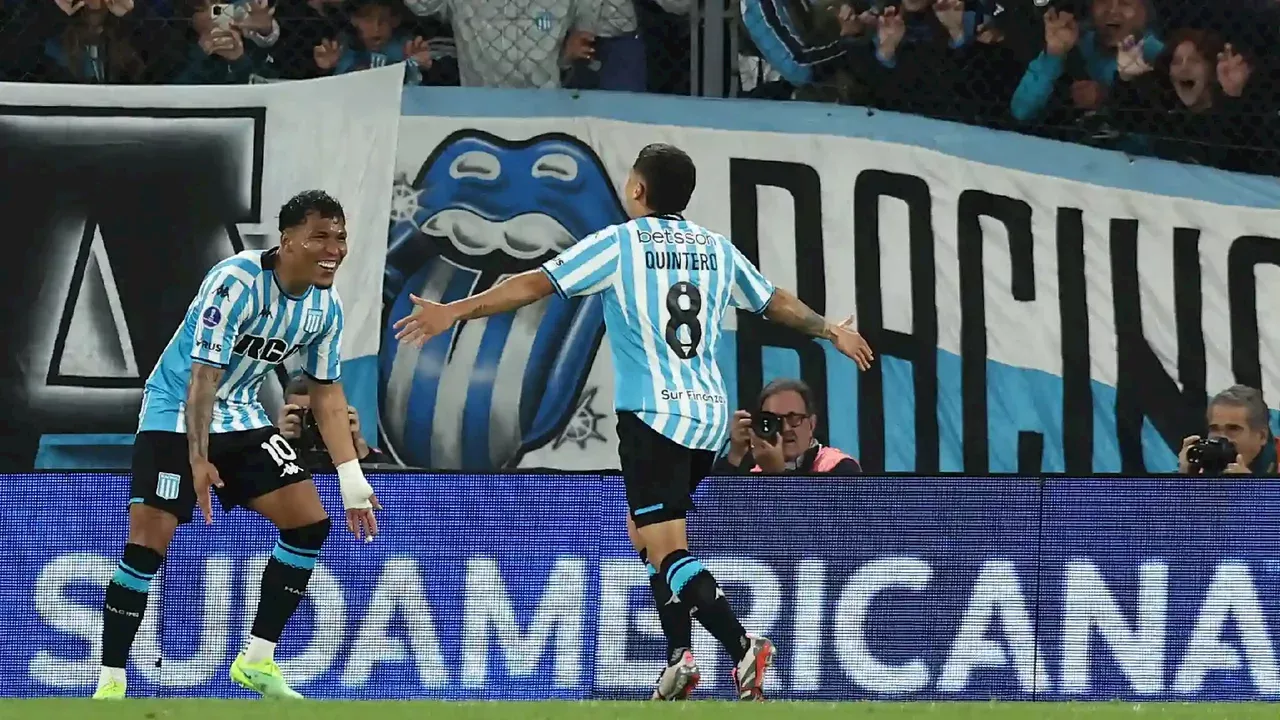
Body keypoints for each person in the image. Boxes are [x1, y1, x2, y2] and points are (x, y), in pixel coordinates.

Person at [393, 143, 874, 701]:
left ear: (637, 190)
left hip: (652, 412)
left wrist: (452, 311)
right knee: (644, 534)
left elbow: (534, 284)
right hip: (708, 414)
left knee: (666, 547)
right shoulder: (714, 248)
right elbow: (773, 302)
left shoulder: (621, 244)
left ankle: (743, 645)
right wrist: (828, 329)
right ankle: (678, 658)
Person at [93, 190, 381, 700]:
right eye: (320, 236)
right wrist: (198, 460)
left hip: (243, 414)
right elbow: (202, 377)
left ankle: (257, 661)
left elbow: (326, 391)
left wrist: (351, 477)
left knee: (309, 522)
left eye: (340, 238)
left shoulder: (326, 306)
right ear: (288, 240)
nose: (333, 249)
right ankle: (111, 682)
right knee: (146, 545)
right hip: (175, 412)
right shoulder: (236, 281)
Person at [715, 378, 861, 474]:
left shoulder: (839, 466)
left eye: (793, 418)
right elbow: (707, 513)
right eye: (774, 420)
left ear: (811, 424)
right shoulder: (750, 466)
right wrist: (734, 455)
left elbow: (825, 519)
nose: (785, 429)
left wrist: (777, 475)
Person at [278, 374, 389, 468]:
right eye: (301, 413)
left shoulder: (352, 453)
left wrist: (362, 450)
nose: (311, 421)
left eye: (317, 413)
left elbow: (387, 486)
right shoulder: (276, 457)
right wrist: (278, 442)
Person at [1178, 385, 1278, 476]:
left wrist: (1252, 489)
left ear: (1262, 436)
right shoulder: (1200, 464)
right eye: (1214, 429)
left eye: (1233, 429)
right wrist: (1183, 478)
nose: (1222, 438)